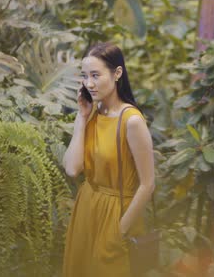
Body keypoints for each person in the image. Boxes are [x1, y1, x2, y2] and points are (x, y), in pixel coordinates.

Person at [62, 42, 156, 277]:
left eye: (95, 75)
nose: (89, 83)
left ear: (117, 74)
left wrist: (120, 230)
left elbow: (148, 184)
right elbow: (73, 169)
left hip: (116, 214)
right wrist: (82, 119)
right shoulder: (90, 112)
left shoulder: (131, 121)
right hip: (86, 208)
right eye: (85, 76)